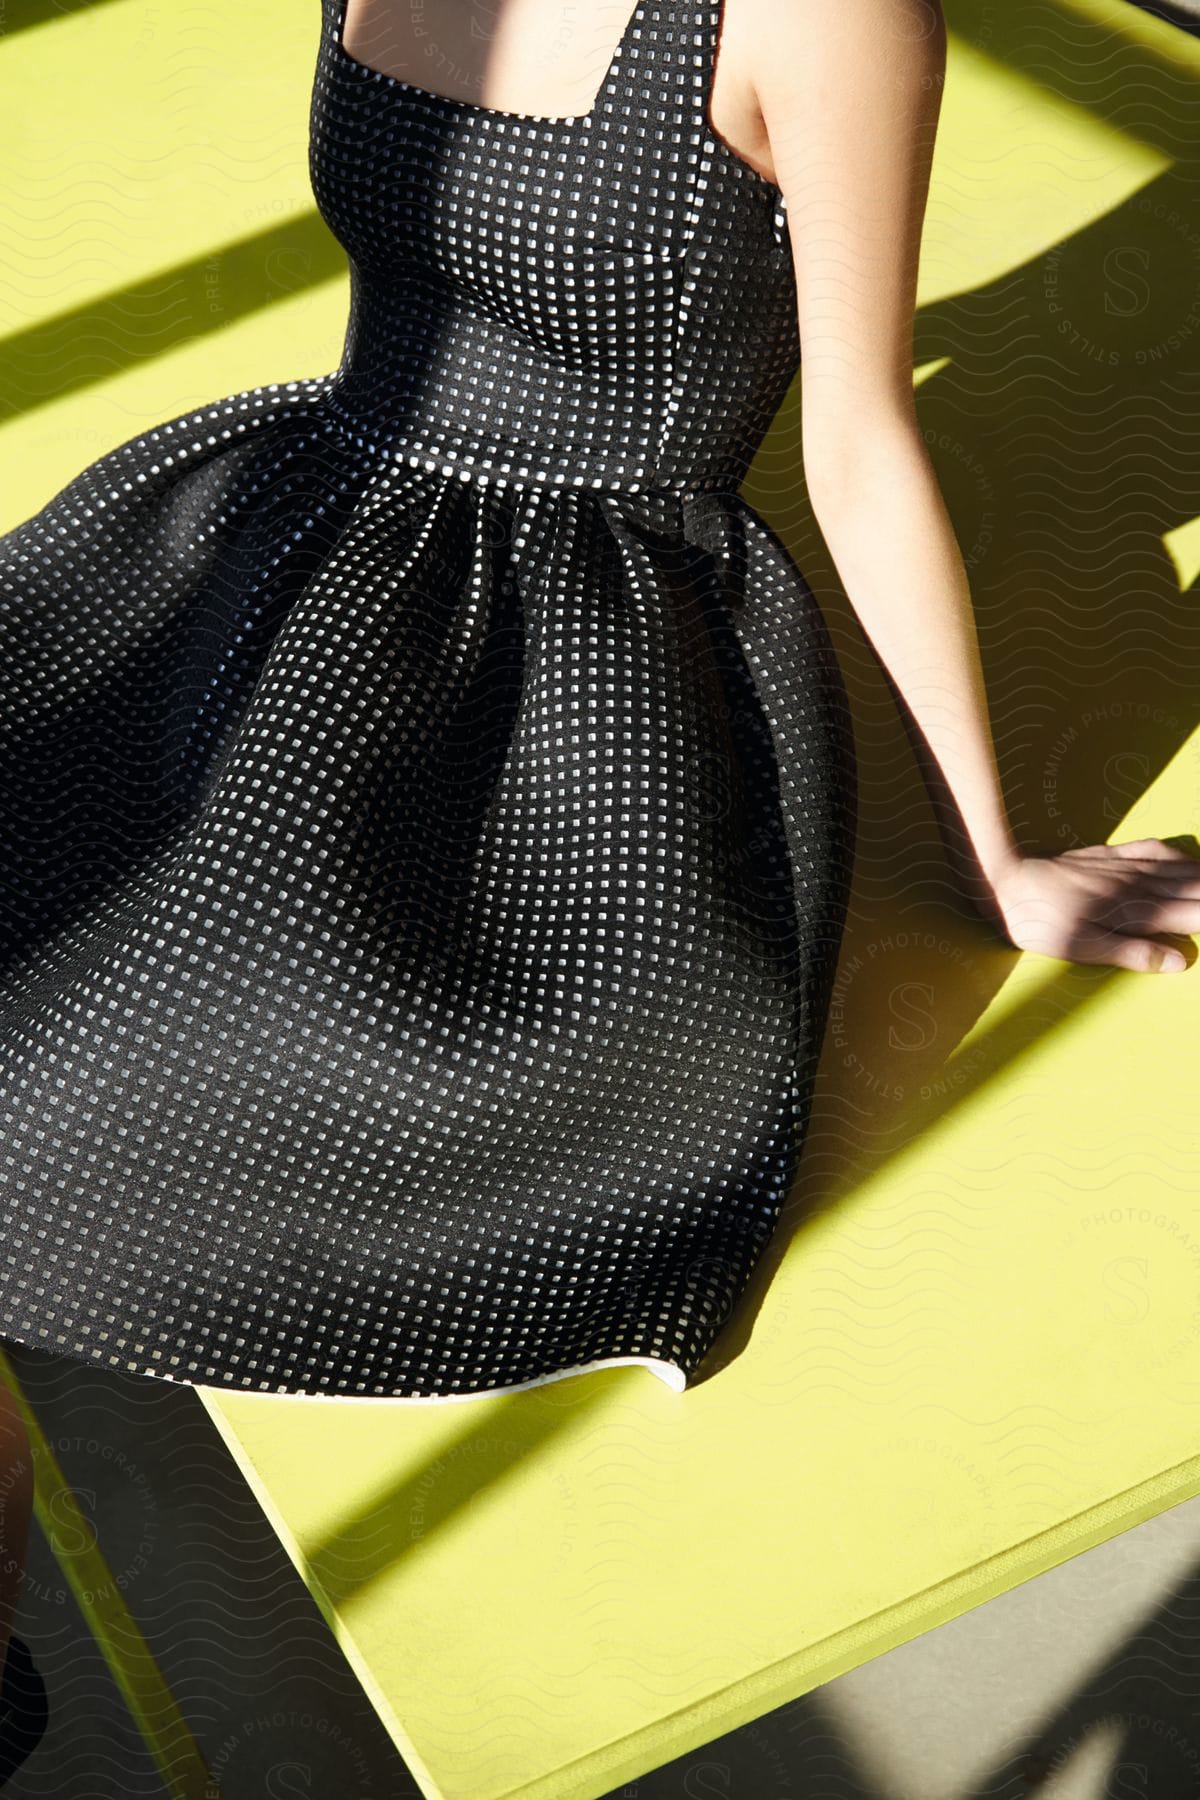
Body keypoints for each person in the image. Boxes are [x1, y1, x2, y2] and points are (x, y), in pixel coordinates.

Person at [0, 0, 1196, 1775]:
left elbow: (862, 436)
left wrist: (999, 855)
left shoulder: (820, 17)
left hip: (578, 664)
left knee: (117, 1070)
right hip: (306, 513)